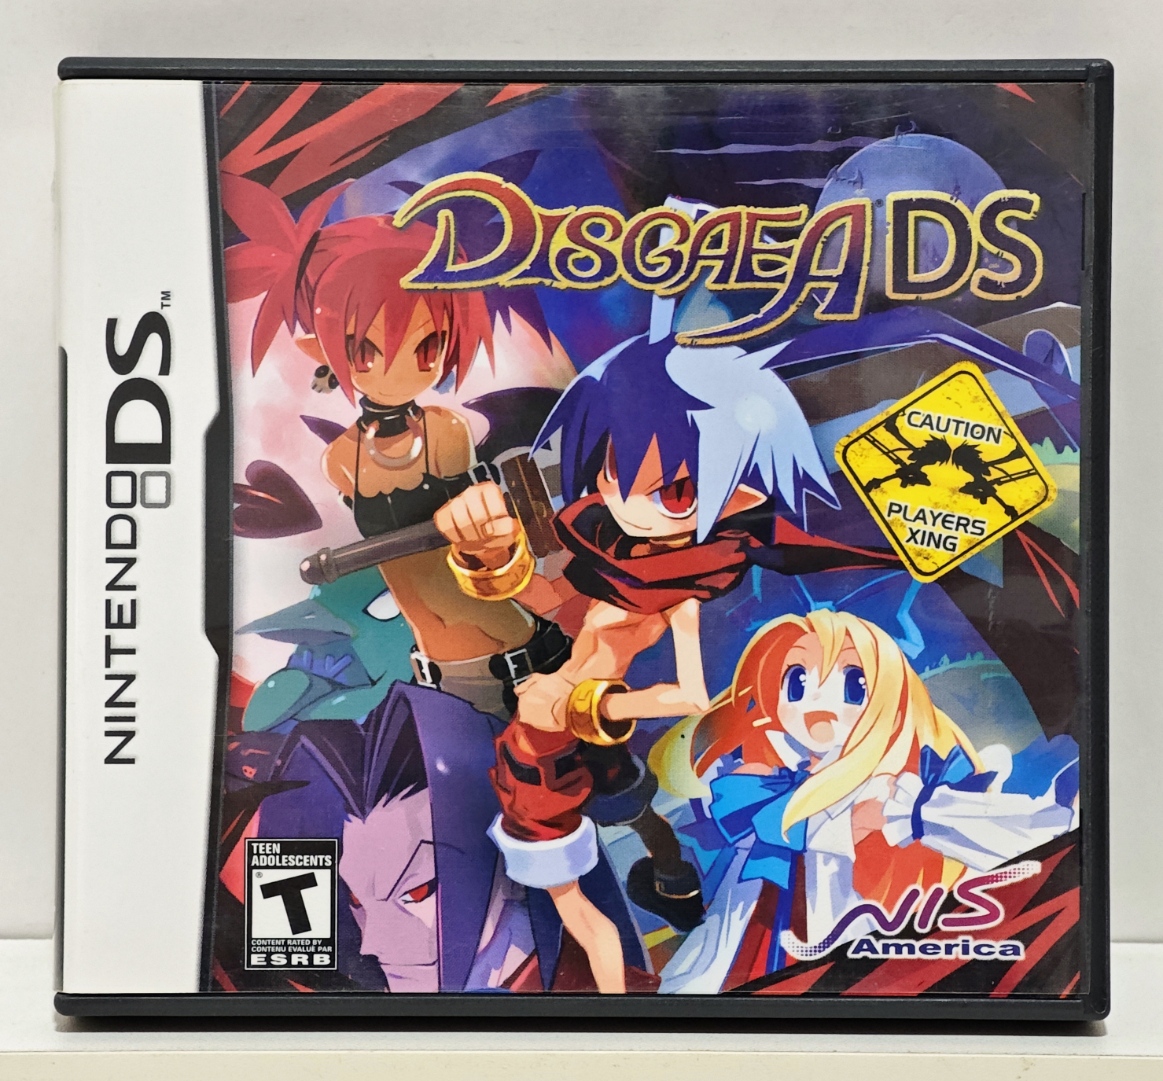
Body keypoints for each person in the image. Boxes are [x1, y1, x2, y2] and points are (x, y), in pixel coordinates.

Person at [434, 331, 869, 991]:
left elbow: (690, 695)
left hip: (554, 743)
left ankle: (621, 1014)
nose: (626, 499)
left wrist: (584, 704)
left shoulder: (679, 596)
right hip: (565, 735)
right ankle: (671, 878)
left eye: (674, 491)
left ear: (740, 498)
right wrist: (494, 558)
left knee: (580, 914)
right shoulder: (618, 563)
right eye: (615, 471)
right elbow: (552, 603)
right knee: (633, 809)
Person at [221, 174, 570, 720]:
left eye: (429, 346)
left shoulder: (443, 434)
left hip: (521, 660)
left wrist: (490, 541)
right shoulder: (342, 462)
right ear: (320, 347)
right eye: (364, 349)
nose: (397, 369)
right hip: (440, 678)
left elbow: (490, 551)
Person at [654, 608, 1079, 993]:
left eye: (853, 685)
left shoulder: (892, 784)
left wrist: (908, 812)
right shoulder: (756, 777)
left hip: (845, 936)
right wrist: (861, 818)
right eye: (798, 682)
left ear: (888, 703)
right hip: (759, 925)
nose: (818, 700)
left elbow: (946, 820)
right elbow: (778, 823)